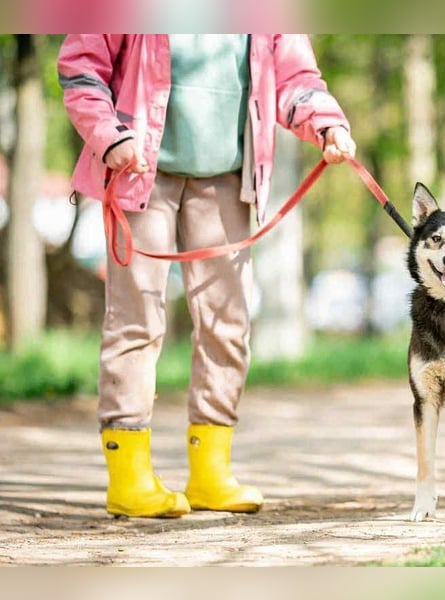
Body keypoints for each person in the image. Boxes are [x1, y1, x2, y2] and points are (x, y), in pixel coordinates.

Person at [58, 35, 356, 518]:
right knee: (136, 322)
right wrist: (109, 135)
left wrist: (327, 124)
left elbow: (296, 77)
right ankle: (129, 477)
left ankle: (210, 473)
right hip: (139, 173)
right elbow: (81, 69)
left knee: (228, 324)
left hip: (227, 175)